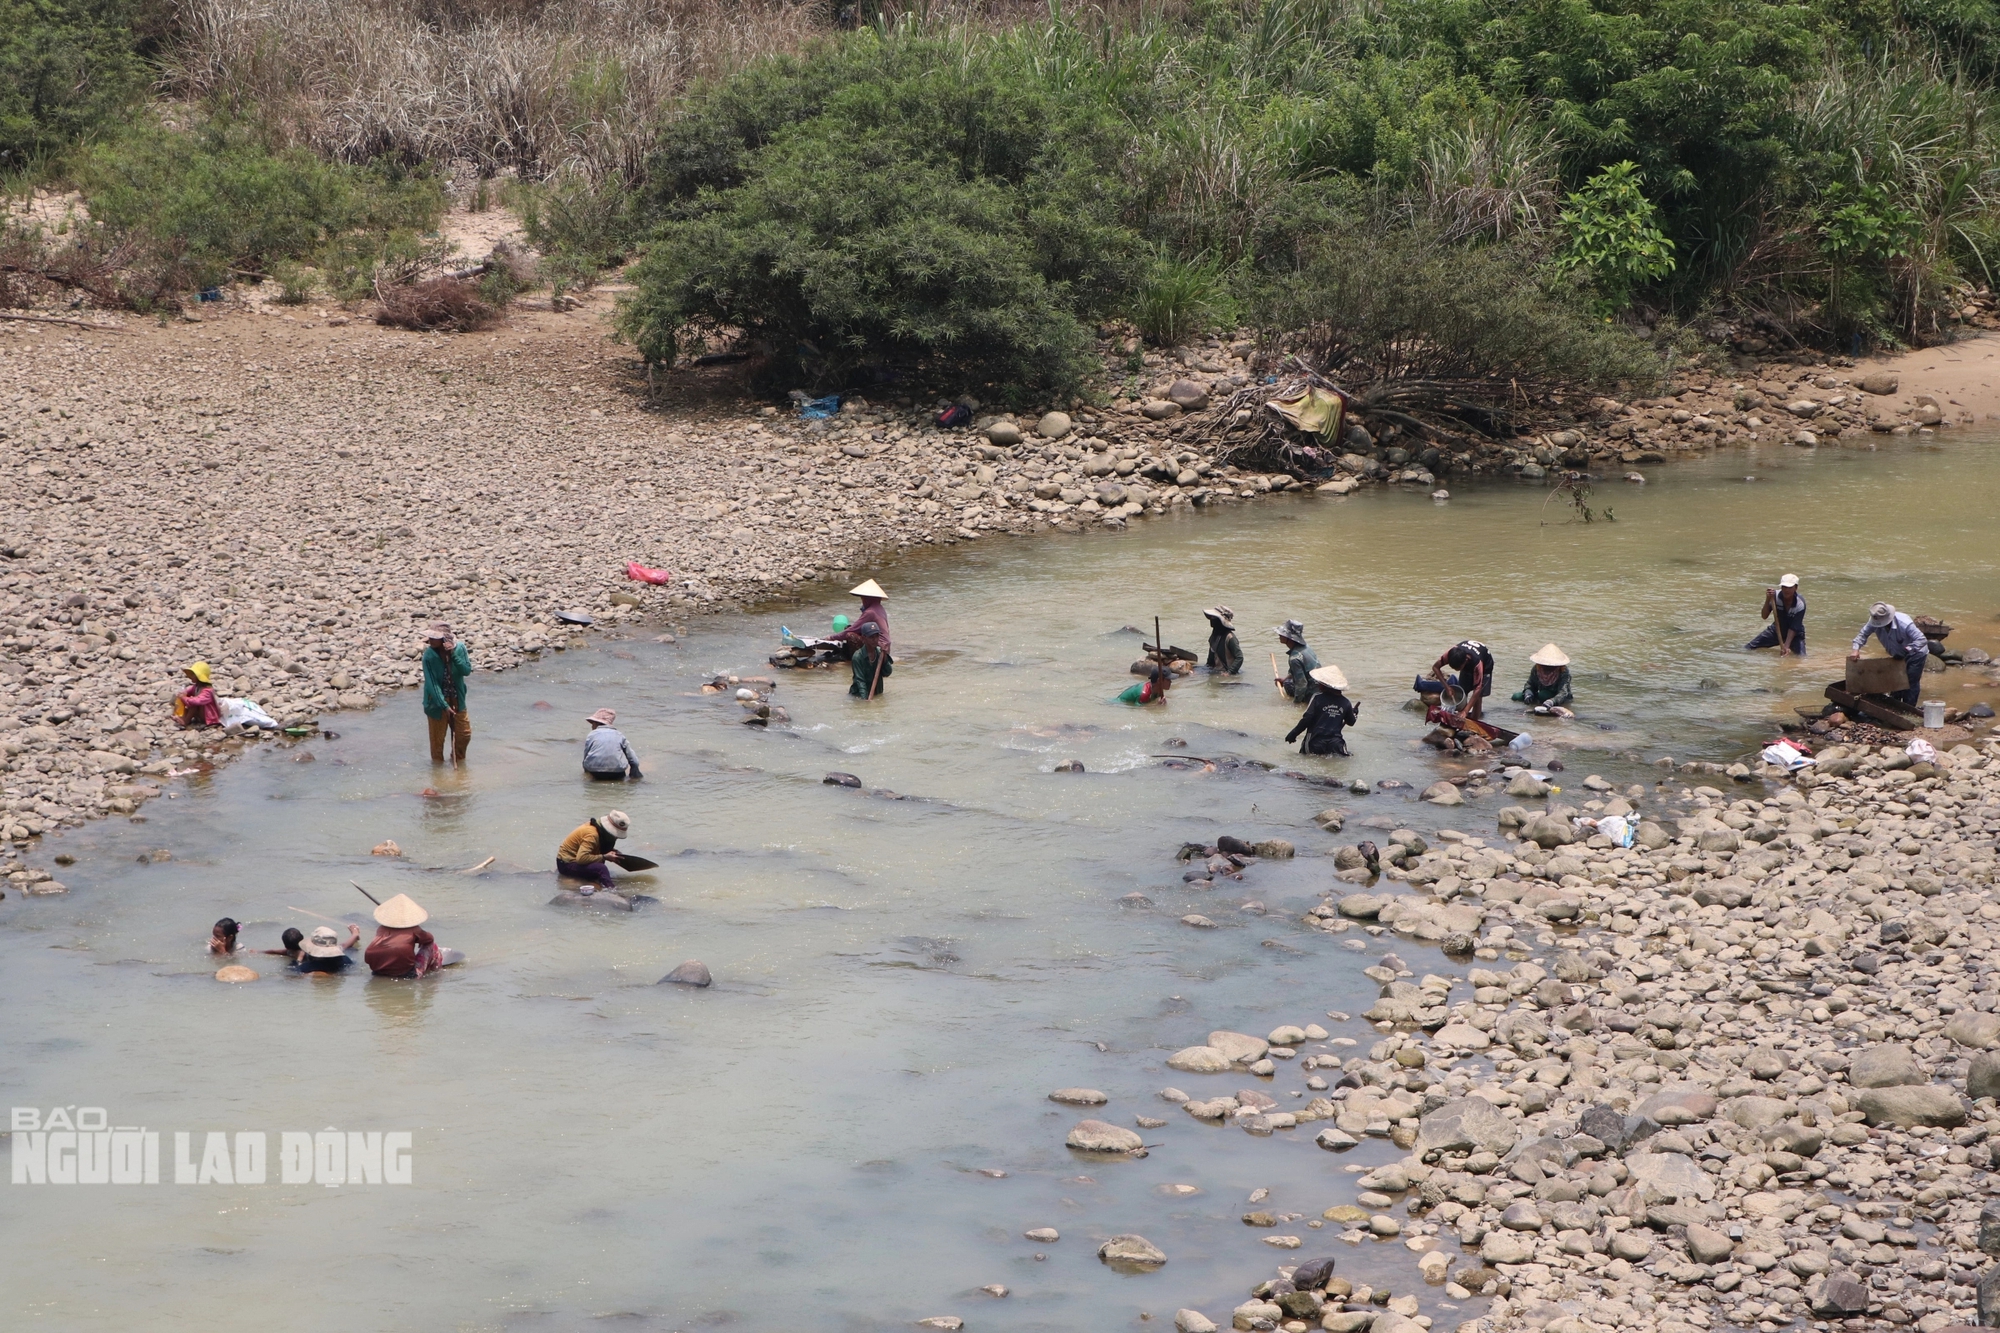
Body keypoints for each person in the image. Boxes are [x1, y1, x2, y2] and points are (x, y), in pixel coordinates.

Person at [1851, 602, 1929, 707]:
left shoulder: (1904, 623)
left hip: (1916, 653)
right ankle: (1894, 706)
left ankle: (1909, 708)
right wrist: (1856, 649)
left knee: (1911, 682)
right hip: (1896, 654)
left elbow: (1921, 639)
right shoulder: (1875, 621)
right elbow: (1862, 635)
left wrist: (1907, 650)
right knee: (1896, 680)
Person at [363, 893, 460, 978]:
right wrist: (418, 932)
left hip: (377, 971)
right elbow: (429, 939)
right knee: (433, 946)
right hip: (407, 974)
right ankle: (436, 974)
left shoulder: (381, 929)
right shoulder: (414, 929)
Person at [422, 622, 472, 765]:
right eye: (430, 637)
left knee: (464, 735)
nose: (430, 641)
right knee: (437, 744)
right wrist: (444, 705)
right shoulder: (429, 656)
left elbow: (466, 671)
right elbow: (432, 684)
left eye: (434, 638)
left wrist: (453, 655)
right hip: (436, 704)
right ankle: (438, 774)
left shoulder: (460, 648)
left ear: (445, 639)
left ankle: (458, 763)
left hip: (457, 700)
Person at [1286, 665, 1360, 755]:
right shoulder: (1346, 702)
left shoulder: (1317, 698)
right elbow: (1351, 722)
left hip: (1315, 741)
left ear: (1325, 686)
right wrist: (1354, 713)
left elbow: (1307, 719)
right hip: (1336, 744)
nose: (1318, 684)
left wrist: (1293, 733)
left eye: (1320, 683)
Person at [557, 809, 632, 894]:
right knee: (601, 869)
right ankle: (612, 891)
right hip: (566, 864)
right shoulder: (592, 835)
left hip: (576, 859)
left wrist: (613, 852)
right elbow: (581, 859)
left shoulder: (599, 829)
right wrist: (604, 857)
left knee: (601, 864)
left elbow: (597, 846)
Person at [1426, 639, 1495, 721]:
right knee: (1462, 690)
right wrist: (1447, 687)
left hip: (1486, 664)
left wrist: (1466, 711)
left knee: (1478, 696)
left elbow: (1478, 689)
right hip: (1467, 660)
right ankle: (1461, 715)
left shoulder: (1477, 663)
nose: (1456, 670)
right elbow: (1435, 667)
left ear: (1465, 661)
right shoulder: (1451, 654)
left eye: (1458, 668)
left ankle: (1475, 720)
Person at [1747, 574, 1807, 655]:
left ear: (1796, 588)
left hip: (1795, 635)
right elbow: (1764, 616)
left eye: (1790, 588)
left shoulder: (1800, 604)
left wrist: (1786, 646)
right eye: (1784, 587)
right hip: (1776, 630)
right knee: (1748, 648)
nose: (1786, 590)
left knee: (1801, 658)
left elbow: (1794, 627)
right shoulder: (1775, 597)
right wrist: (1768, 599)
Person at [582, 708, 641, 780]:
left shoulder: (591, 735)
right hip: (617, 772)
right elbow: (633, 759)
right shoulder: (619, 735)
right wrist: (634, 771)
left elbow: (586, 757)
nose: (591, 726)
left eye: (592, 723)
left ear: (596, 723)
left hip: (595, 771)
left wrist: (585, 771)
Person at [1512, 644, 1574, 709]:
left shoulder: (1563, 672)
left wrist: (1552, 701)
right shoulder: (1537, 668)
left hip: (1557, 697)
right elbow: (1530, 683)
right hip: (1541, 695)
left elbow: (1563, 693)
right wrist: (1528, 692)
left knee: (1543, 695)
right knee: (1516, 696)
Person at [1274, 620, 1321, 702]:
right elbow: (1297, 670)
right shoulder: (1306, 648)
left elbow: (1302, 684)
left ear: (1289, 638)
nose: (1279, 635)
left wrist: (1296, 703)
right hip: (1320, 686)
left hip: (1313, 693)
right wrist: (1284, 679)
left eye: (1282, 634)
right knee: (1287, 682)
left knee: (1289, 685)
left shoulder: (1294, 658)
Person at [844, 621, 892, 698]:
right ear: (864, 638)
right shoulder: (858, 657)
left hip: (876, 693)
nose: (875, 639)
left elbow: (887, 673)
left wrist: (885, 657)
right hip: (858, 695)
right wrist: (865, 703)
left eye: (877, 636)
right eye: (871, 637)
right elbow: (860, 681)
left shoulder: (880, 653)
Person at [296, 924, 361, 975]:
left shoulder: (307, 967)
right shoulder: (345, 960)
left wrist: (299, 960)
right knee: (352, 950)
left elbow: (294, 972)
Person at [176, 662, 221, 729]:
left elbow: (197, 701)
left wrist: (184, 698)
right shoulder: (197, 687)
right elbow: (187, 692)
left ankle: (185, 721)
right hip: (200, 714)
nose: (191, 676)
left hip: (208, 717)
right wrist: (182, 694)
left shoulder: (207, 691)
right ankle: (181, 716)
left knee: (193, 703)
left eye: (193, 674)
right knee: (185, 699)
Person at [1203, 606, 1243, 675]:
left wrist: (1229, 672)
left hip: (1225, 674)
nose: (1212, 620)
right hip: (1214, 672)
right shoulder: (1214, 636)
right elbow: (1210, 661)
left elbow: (1239, 657)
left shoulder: (1230, 638)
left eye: (1214, 618)